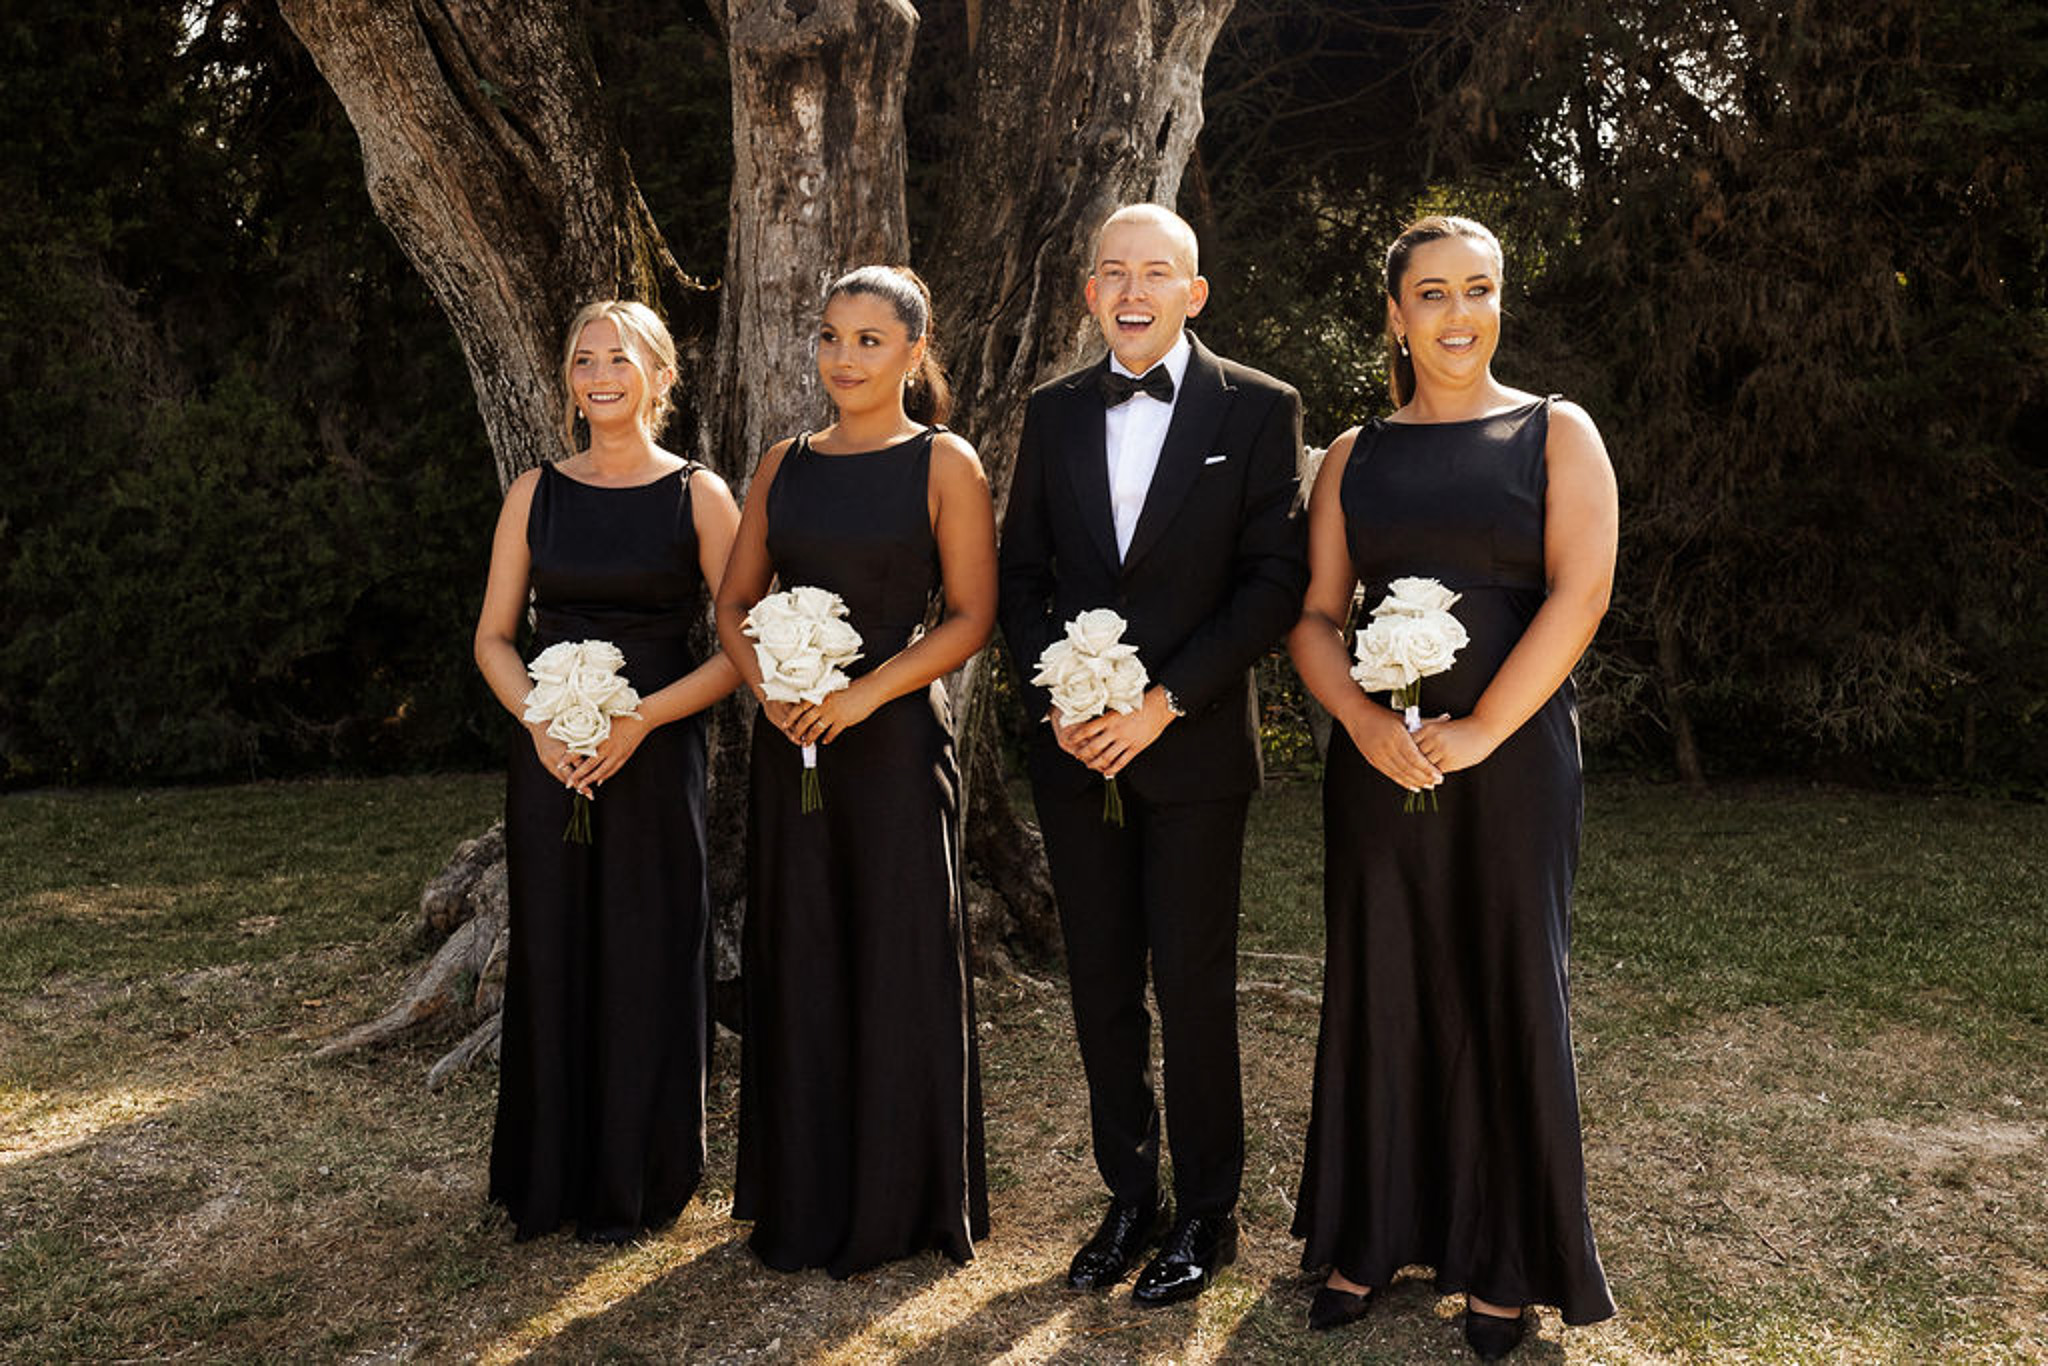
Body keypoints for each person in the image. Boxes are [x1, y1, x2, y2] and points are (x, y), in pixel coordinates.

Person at [1286, 215, 1618, 1357]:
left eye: (1477, 290)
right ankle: (1367, 1233)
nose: (1457, 314)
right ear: (1392, 313)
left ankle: (1503, 1254)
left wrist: (1479, 729)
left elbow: (1578, 596)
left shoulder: (1553, 432)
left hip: (1512, 760)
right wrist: (1361, 720)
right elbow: (1316, 615)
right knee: (1379, 974)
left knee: (1502, 974)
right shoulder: (1351, 455)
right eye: (1431, 293)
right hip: (1376, 765)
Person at [997, 204, 1309, 1306]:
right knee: (1097, 980)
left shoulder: (1260, 409)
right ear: (1089, 293)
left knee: (1191, 981)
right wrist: (1069, 697)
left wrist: (1162, 702)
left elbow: (1273, 581)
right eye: (1113, 273)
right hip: (1075, 751)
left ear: (1193, 291)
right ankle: (1126, 1195)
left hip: (1192, 753)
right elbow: (1018, 578)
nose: (1133, 290)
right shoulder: (1050, 412)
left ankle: (1206, 1213)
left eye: (1156, 271)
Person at [714, 265, 995, 1277]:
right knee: (802, 947)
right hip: (790, 744)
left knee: (895, 949)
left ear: (914, 352)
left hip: (890, 741)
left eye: (869, 340)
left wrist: (863, 694)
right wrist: (769, 688)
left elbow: (970, 613)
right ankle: (804, 1190)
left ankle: (901, 1198)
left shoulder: (941, 461)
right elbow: (734, 601)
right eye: (831, 336)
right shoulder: (780, 464)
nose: (843, 357)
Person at [475, 299, 742, 1243]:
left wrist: (642, 718)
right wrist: (543, 722)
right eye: (584, 360)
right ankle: (552, 1174)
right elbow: (496, 638)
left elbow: (742, 647)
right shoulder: (534, 493)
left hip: (655, 753)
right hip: (549, 756)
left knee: (647, 944)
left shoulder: (700, 496)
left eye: (619, 360)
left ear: (660, 377)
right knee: (555, 943)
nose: (599, 376)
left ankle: (644, 1172)